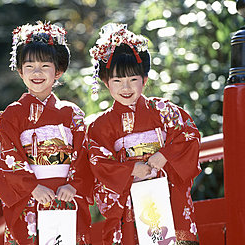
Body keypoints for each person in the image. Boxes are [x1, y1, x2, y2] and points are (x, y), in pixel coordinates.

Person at [86, 23, 201, 244]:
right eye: (117, 81)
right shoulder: (100, 126)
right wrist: (130, 169)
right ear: (105, 83)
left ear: (144, 80)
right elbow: (98, 162)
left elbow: (189, 134)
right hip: (129, 197)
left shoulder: (164, 111)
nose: (126, 88)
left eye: (133, 80)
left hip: (166, 190)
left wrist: (165, 155)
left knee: (172, 236)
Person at [0, 21, 93, 245]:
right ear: (20, 71)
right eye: (29, 66)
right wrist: (32, 187)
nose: (37, 72)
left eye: (45, 66)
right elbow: (4, 159)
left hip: (66, 195)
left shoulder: (72, 114)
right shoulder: (11, 115)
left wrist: (74, 185)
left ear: (58, 70)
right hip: (30, 199)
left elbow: (85, 155)